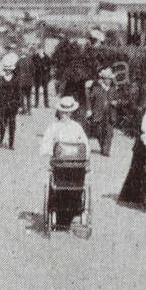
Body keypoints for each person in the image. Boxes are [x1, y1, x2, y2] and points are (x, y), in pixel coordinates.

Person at [40, 96, 90, 230]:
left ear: (71, 113)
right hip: (64, 167)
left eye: (68, 112)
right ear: (61, 112)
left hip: (72, 167)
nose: (66, 114)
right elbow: (46, 146)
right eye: (64, 112)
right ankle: (63, 211)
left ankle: (71, 211)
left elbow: (85, 147)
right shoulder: (55, 127)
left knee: (74, 181)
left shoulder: (75, 127)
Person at [0, 57, 20, 149]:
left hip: (13, 105)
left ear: (12, 70)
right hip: (2, 105)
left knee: (12, 125)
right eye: (6, 69)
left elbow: (19, 93)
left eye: (9, 69)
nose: (7, 71)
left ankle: (11, 144)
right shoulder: (0, 79)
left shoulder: (16, 80)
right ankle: (1, 139)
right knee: (2, 124)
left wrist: (20, 105)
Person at [86, 68, 117, 157]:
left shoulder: (113, 89)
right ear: (103, 79)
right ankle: (103, 144)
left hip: (110, 114)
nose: (110, 81)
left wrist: (116, 103)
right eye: (108, 79)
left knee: (109, 132)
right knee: (99, 131)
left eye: (110, 79)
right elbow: (90, 100)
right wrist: (89, 110)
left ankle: (106, 150)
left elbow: (119, 100)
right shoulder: (96, 89)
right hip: (98, 114)